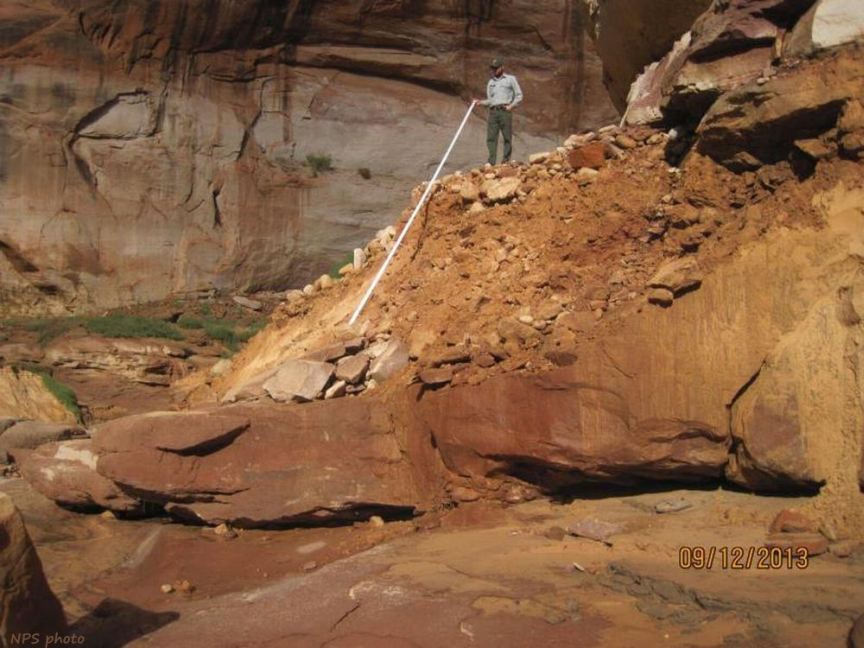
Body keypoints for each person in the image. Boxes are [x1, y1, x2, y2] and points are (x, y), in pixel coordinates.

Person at [475, 58, 523, 165]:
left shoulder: (510, 79)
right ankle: (491, 161)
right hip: (493, 112)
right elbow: (490, 100)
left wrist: (511, 106)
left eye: (496, 68)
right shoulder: (491, 82)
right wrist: (480, 102)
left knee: (507, 136)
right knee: (491, 137)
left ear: (502, 67)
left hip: (504, 111)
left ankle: (505, 160)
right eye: (493, 68)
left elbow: (519, 95)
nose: (494, 70)